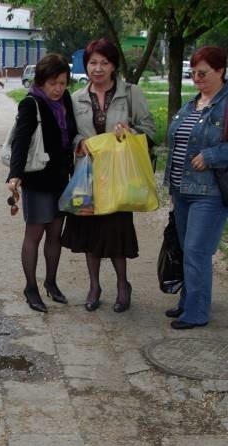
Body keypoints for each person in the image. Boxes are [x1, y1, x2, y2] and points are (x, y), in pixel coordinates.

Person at [61, 38, 155, 312]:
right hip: (87, 176)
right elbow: (69, 134)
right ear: (85, 65)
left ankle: (123, 285)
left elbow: (149, 129)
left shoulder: (131, 93)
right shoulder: (76, 97)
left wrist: (131, 133)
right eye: (92, 63)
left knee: (116, 234)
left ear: (114, 65)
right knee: (90, 234)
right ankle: (94, 286)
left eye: (104, 63)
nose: (98, 68)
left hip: (120, 177)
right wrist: (79, 143)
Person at [7, 53, 78, 312]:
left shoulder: (65, 99)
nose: (58, 89)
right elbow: (21, 142)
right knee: (34, 234)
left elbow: (69, 134)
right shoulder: (30, 103)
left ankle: (51, 282)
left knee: (55, 234)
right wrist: (14, 175)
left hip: (61, 178)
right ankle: (31, 287)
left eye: (63, 83)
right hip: (37, 179)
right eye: (53, 83)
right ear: (41, 82)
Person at [163, 45, 228, 329]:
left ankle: (197, 312)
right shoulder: (193, 103)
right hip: (181, 189)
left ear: (221, 70)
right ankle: (188, 302)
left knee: (197, 251)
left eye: (203, 73)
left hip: (209, 193)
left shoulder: (225, 104)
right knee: (186, 250)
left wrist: (212, 156)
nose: (197, 78)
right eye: (193, 73)